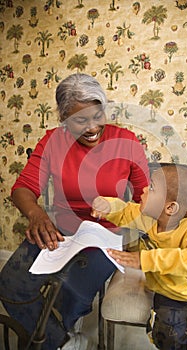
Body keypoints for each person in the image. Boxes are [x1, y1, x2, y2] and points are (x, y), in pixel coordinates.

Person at [0, 73, 149, 350]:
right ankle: (61, 340)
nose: (92, 127)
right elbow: (23, 188)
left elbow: (146, 199)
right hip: (59, 228)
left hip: (105, 234)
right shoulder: (53, 141)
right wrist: (36, 214)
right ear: (64, 120)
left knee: (70, 289)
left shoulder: (126, 141)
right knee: (10, 284)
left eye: (97, 115)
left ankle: (52, 336)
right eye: (80, 120)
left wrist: (136, 235)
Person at [92, 164, 187, 350]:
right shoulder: (147, 218)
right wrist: (107, 205)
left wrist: (146, 259)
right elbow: (124, 211)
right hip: (170, 292)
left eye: (151, 187)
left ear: (170, 208)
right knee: (167, 335)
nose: (143, 189)